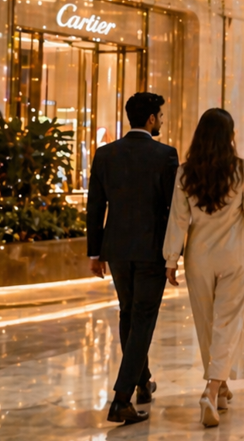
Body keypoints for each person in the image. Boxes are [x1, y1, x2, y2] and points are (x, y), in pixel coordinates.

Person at [163, 108, 244, 429]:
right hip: (233, 255)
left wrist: (171, 259)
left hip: (199, 256)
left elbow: (178, 220)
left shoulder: (185, 173)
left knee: (206, 322)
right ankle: (212, 388)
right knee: (229, 322)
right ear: (229, 137)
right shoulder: (242, 170)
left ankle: (220, 386)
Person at [86, 91, 179, 425]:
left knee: (129, 313)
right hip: (152, 250)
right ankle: (121, 398)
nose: (161, 123)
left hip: (117, 249)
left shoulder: (105, 154)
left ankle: (142, 381)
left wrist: (95, 252)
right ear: (151, 119)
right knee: (142, 318)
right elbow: (173, 209)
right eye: (161, 118)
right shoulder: (166, 155)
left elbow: (95, 205)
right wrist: (174, 252)